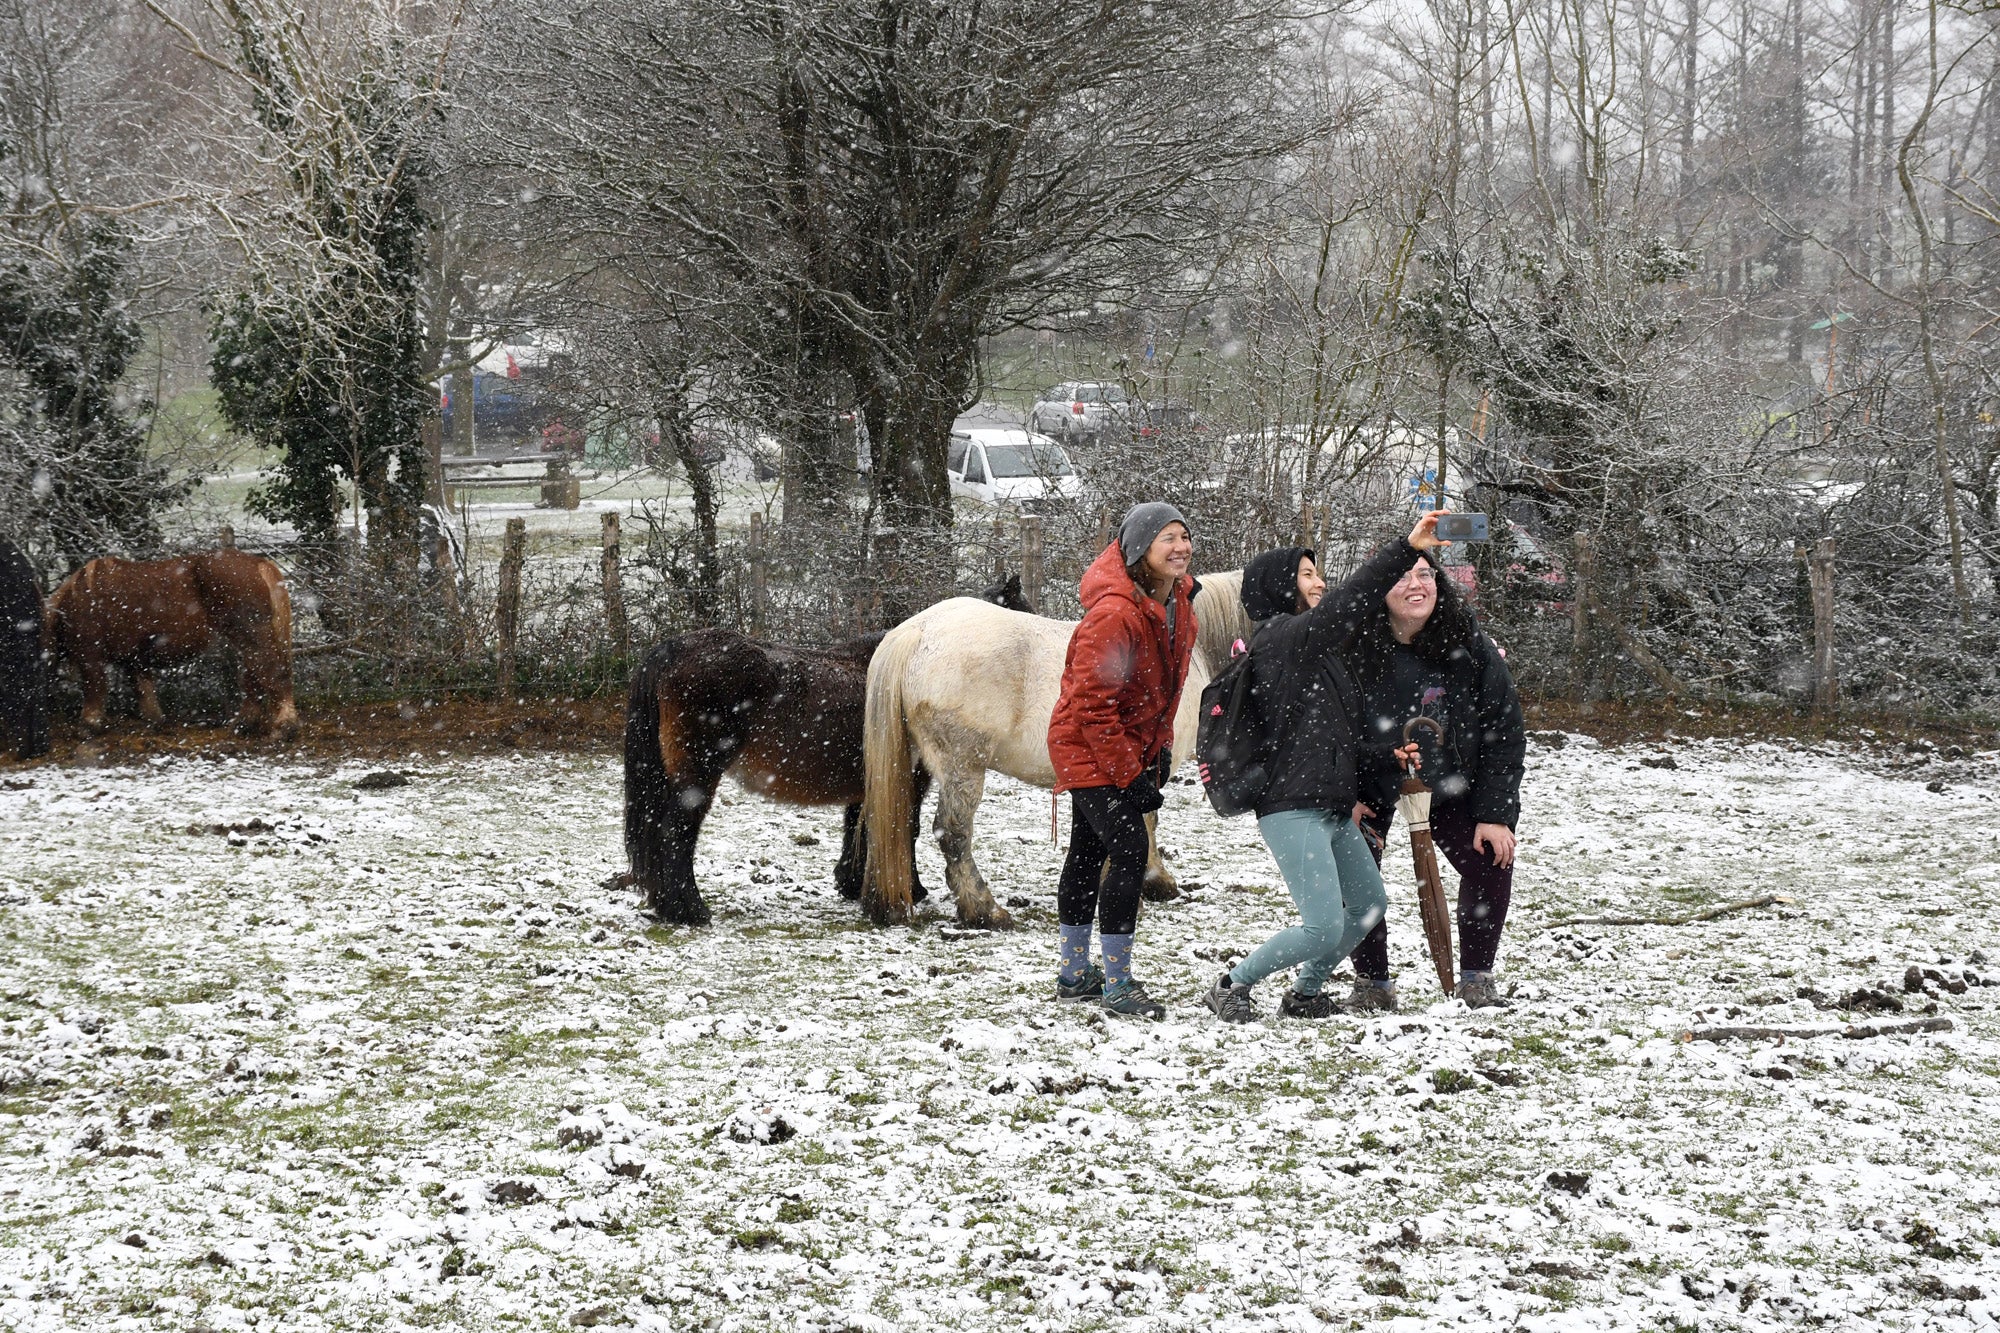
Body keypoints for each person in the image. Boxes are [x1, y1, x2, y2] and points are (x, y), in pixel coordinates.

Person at [1202, 514, 1446, 1024]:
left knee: (1367, 907)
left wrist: (1385, 756)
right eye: (1307, 574)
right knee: (1321, 927)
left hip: (1329, 806)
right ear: (1279, 586)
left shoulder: (1319, 653)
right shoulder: (1283, 638)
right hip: (1291, 809)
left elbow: (1334, 738)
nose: (1320, 582)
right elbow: (1349, 602)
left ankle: (1306, 993)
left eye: (1319, 573)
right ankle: (1232, 983)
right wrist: (1405, 550)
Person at [1344, 536, 1527, 1011]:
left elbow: (1504, 730)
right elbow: (1327, 730)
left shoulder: (1467, 645)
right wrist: (1341, 796)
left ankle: (1475, 978)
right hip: (1370, 787)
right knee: (1355, 875)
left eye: (1425, 574)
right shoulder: (1353, 647)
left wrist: (1494, 812)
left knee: (1492, 859)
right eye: (1403, 575)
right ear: (1381, 588)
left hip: (1448, 786)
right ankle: (1372, 984)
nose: (1416, 584)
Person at [1045, 503, 1198, 1019]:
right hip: (1088, 745)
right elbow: (1092, 706)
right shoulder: (1114, 613)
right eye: (1166, 539)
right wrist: (1128, 774)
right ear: (1139, 551)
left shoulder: (1176, 598)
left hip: (1128, 743)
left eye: (1184, 535)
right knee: (1131, 848)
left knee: (1088, 850)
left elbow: (1166, 685)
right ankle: (1117, 983)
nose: (1180, 546)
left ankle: (1073, 974)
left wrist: (1159, 747)